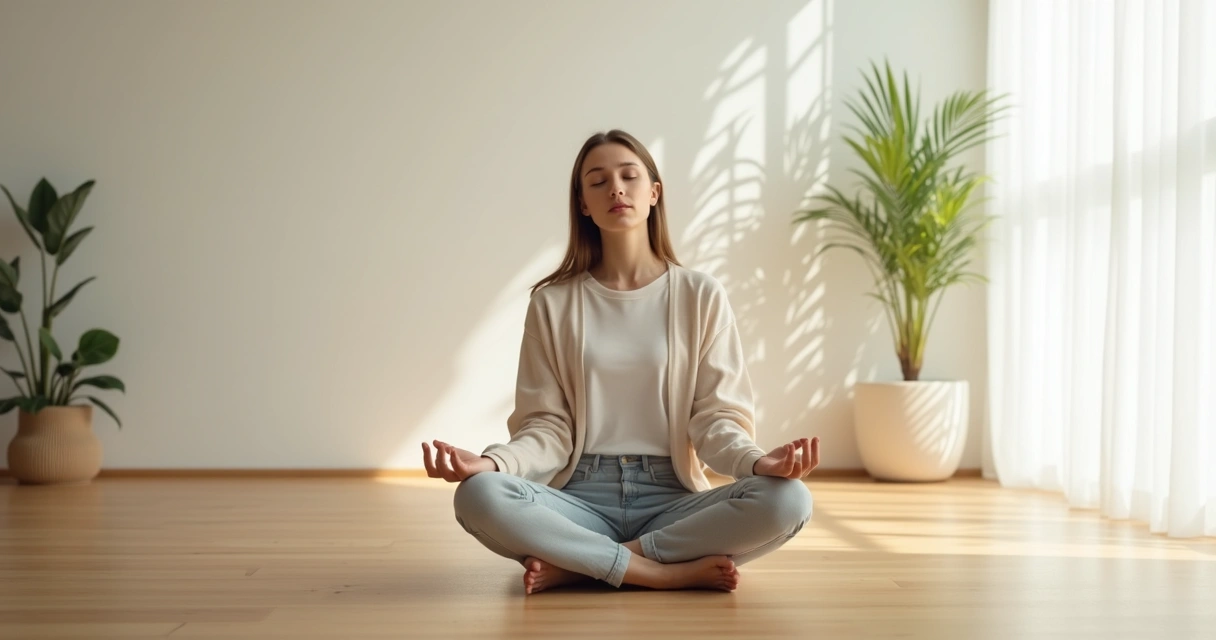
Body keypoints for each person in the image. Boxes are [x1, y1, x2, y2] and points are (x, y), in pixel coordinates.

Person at [420, 129, 820, 594]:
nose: (616, 188)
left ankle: (582, 564)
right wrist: (492, 464)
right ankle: (660, 571)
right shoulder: (553, 303)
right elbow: (547, 427)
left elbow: (716, 420)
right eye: (598, 180)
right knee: (478, 495)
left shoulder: (698, 295)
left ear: (653, 193)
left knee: (788, 500)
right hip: (578, 499)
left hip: (671, 500)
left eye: (629, 175)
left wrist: (756, 462)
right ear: (584, 204)